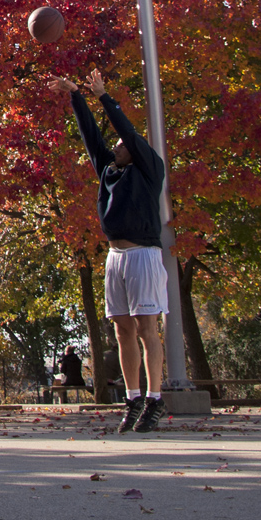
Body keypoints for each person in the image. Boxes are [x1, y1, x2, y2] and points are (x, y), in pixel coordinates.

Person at [49, 68, 169, 433]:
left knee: (147, 328)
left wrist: (104, 96)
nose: (115, 146)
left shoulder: (149, 169)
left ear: (135, 152)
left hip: (143, 256)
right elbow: (91, 137)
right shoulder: (108, 171)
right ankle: (132, 398)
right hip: (115, 258)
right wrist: (75, 95)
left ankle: (155, 399)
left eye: (121, 146)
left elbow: (127, 133)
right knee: (121, 331)